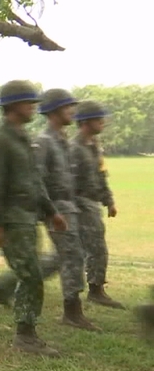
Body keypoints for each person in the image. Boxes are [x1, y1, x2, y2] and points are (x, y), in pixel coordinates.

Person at [0, 80, 67, 356]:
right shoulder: (0, 139)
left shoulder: (22, 138)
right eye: (29, 103)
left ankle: (25, 331)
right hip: (11, 219)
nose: (33, 108)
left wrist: (51, 211)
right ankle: (25, 336)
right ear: (15, 106)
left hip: (28, 217)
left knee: (31, 274)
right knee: (30, 277)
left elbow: (35, 181)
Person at [35, 89, 99, 330]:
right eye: (67, 107)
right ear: (53, 111)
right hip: (57, 207)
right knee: (71, 256)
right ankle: (72, 312)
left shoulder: (62, 141)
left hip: (69, 205)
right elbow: (38, 179)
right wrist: (51, 212)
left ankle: (72, 309)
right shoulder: (45, 141)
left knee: (70, 256)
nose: (72, 111)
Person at [70, 100, 125, 310]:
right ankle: (95, 289)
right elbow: (68, 182)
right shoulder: (74, 148)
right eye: (98, 119)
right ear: (85, 122)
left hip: (92, 202)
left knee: (92, 247)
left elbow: (101, 176)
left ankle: (95, 287)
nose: (103, 122)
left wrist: (109, 201)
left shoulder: (94, 147)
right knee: (96, 248)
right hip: (80, 203)